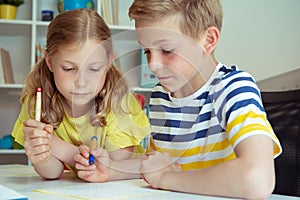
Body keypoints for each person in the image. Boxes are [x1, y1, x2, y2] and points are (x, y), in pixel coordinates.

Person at [74, 1, 282, 199]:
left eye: (167, 50)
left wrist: (166, 178)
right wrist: (110, 169)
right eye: (147, 51)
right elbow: (158, 164)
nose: (153, 65)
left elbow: (257, 180)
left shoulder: (232, 88)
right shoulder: (160, 98)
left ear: (208, 40)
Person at [11, 9, 151, 180]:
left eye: (94, 69)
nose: (81, 82)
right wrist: (42, 157)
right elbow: (53, 172)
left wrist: (56, 145)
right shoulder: (38, 103)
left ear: (108, 63)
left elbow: (107, 167)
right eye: (69, 69)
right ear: (50, 62)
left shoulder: (119, 101)